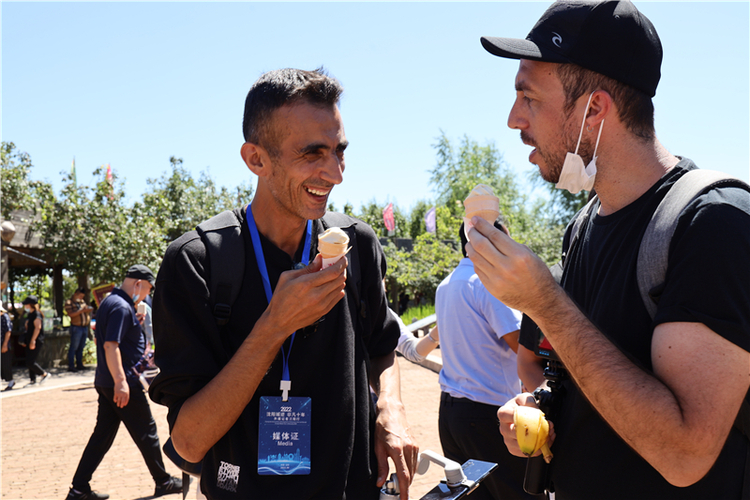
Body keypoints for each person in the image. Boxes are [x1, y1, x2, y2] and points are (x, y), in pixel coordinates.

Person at [468, 1, 750, 498]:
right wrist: (541, 405)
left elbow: (685, 455)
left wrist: (543, 303)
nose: (514, 120)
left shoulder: (716, 220)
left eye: (528, 97)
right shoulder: (584, 226)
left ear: (594, 109)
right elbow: (589, 377)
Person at [149, 68, 418, 500]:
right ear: (256, 159)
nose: (335, 173)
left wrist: (391, 408)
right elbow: (189, 441)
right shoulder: (198, 261)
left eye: (339, 151)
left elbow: (381, 346)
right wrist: (274, 326)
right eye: (313, 153)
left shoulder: (356, 243)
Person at [436, 221, 540, 500]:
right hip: (487, 414)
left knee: (473, 496)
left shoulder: (446, 284)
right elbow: (521, 343)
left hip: (450, 413)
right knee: (523, 493)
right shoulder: (487, 284)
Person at [67, 265, 182, 500]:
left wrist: (134, 321)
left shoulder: (112, 301)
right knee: (147, 431)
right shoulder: (120, 306)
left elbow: (116, 337)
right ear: (139, 284)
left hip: (106, 380)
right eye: (147, 289)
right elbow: (112, 345)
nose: (146, 295)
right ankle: (163, 482)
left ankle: (79, 488)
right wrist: (121, 381)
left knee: (102, 436)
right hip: (122, 382)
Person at [20, 296, 49, 385]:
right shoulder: (30, 314)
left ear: (30, 304)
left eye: (26, 304)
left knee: (30, 361)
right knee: (29, 360)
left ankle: (44, 374)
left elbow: (38, 328)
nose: (25, 306)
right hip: (29, 339)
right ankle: (33, 380)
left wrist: (33, 340)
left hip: (36, 340)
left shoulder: (37, 314)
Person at [65, 287, 93, 371]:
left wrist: (88, 309)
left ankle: (79, 364)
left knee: (81, 347)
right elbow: (70, 314)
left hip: (84, 327)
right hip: (76, 327)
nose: (81, 298)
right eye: (80, 296)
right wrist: (81, 311)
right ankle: (71, 365)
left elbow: (86, 309)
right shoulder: (69, 302)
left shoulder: (82, 302)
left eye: (82, 296)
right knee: (74, 347)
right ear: (75, 294)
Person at [1, 304, 14, 391]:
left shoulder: (5, 317)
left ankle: (10, 380)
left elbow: (8, 330)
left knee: (5, 363)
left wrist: (5, 344)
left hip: (3, 343)